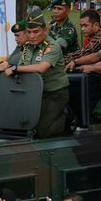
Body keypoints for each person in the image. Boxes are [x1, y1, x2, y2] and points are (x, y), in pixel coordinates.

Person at [13, 9, 70, 138]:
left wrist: (14, 68)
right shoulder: (27, 47)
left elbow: (41, 68)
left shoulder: (52, 46)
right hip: (33, 92)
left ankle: (65, 120)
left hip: (54, 93)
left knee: (42, 131)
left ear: (45, 30)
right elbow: (22, 68)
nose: (32, 36)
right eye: (29, 32)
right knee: (20, 124)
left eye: (36, 32)